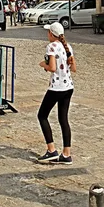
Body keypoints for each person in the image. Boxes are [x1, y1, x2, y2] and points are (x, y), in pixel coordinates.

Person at [37, 22, 76, 165]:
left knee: (42, 115)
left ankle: (51, 150)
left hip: (56, 87)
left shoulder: (51, 47)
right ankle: (66, 154)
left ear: (52, 34)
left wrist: (44, 65)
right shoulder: (67, 47)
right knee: (63, 119)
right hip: (68, 86)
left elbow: (52, 67)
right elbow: (74, 67)